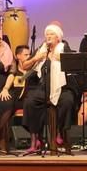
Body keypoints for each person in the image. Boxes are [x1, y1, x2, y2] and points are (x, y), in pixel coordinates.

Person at [22, 24, 75, 154]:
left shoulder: (64, 47)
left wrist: (59, 58)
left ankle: (59, 132)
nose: (48, 37)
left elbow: (73, 66)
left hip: (61, 87)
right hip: (43, 86)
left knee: (67, 101)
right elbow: (25, 66)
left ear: (58, 37)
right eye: (47, 34)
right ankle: (36, 138)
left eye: (51, 34)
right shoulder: (41, 49)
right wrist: (36, 58)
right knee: (29, 102)